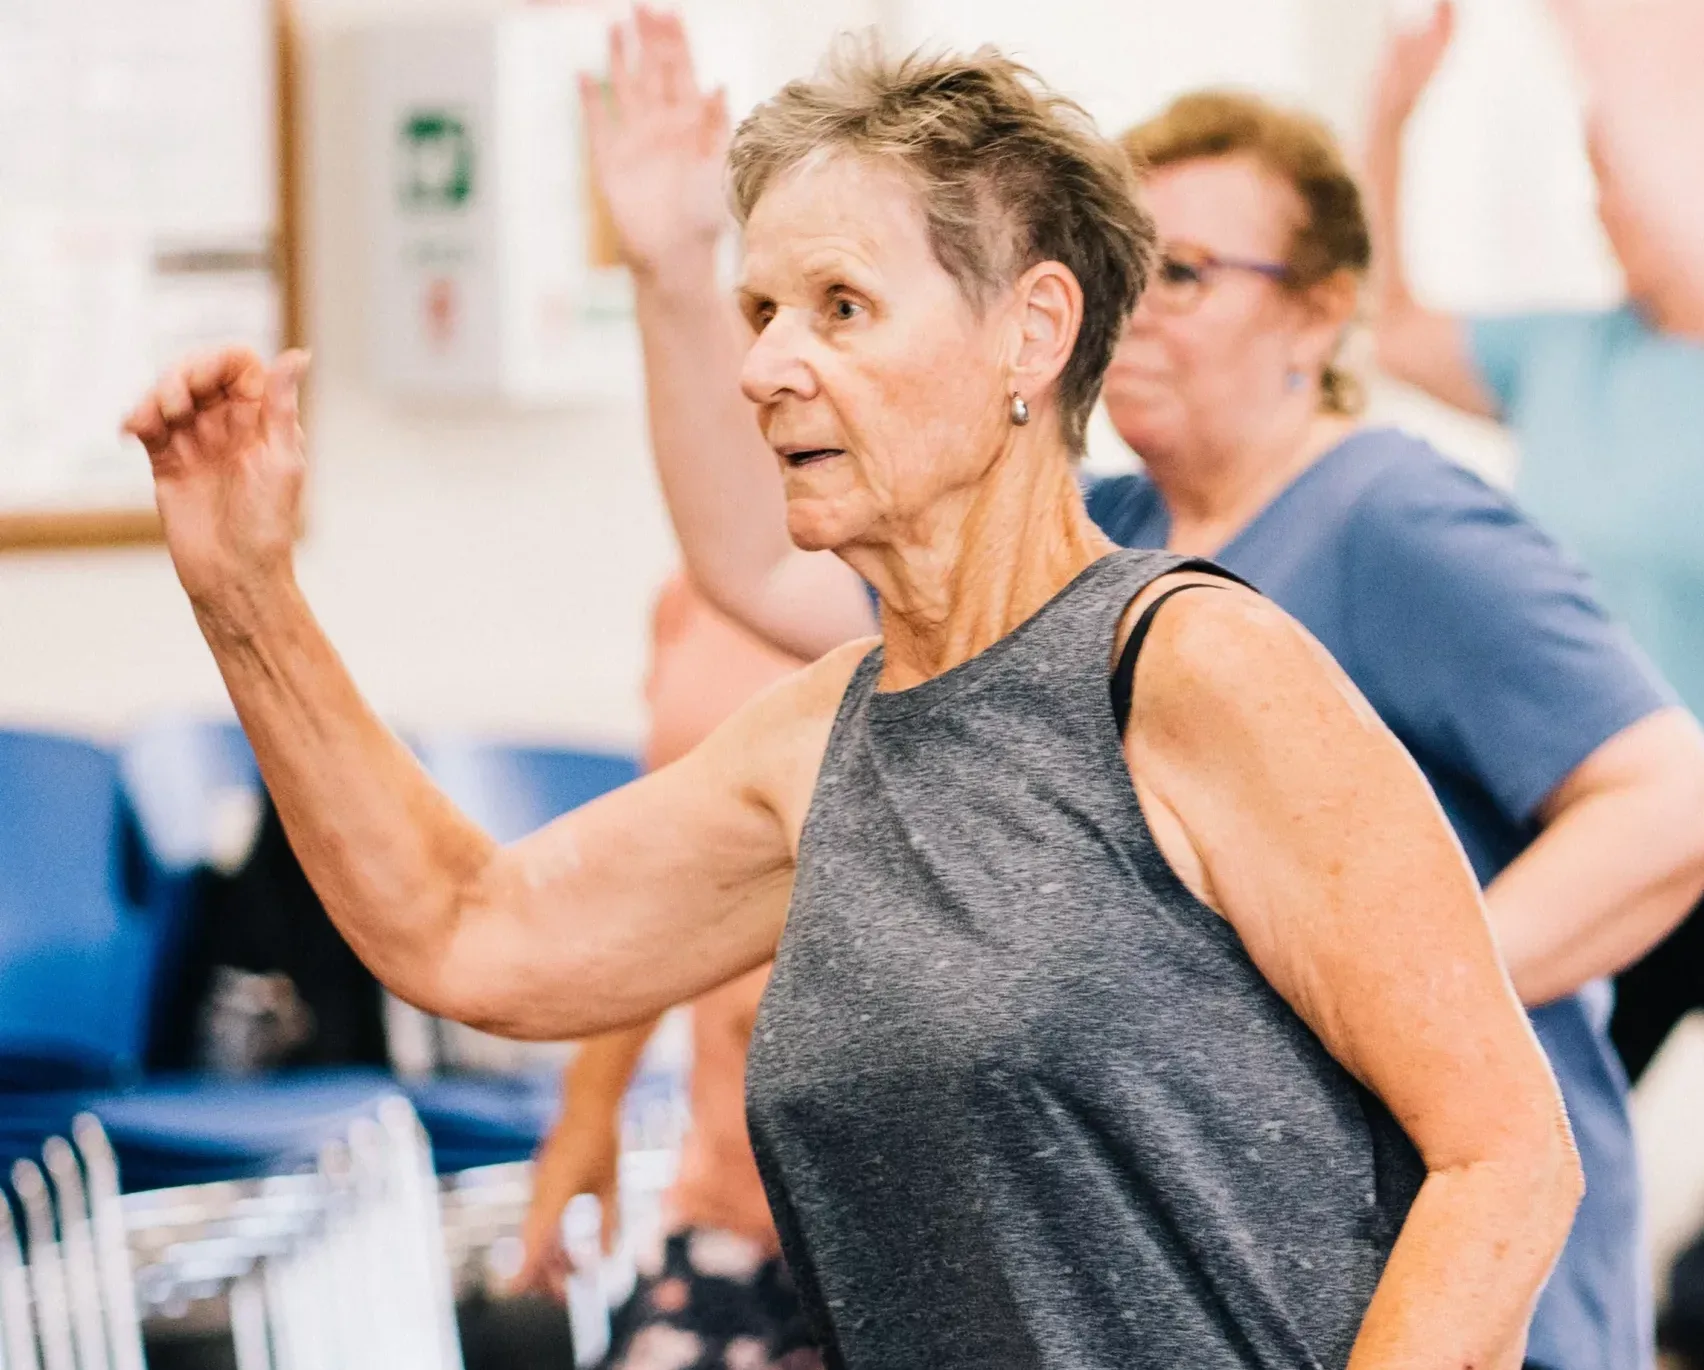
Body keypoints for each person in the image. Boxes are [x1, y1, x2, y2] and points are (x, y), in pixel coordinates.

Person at [126, 38, 1582, 1370]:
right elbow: (470, 930)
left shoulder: (1192, 668)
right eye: (760, 309)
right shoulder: (823, 736)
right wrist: (246, 594)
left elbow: (1506, 1157)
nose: (766, 366)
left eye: (839, 306)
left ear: (1032, 333)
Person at [578, 17, 1704, 1370]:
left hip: (1454, 1276)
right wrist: (664, 270)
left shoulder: (1392, 519)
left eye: (1194, 271)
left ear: (1319, 308)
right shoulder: (1107, 534)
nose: (1145, 304)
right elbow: (754, 559)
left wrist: (1360, 1002)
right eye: (1135, 262)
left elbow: (1672, 804)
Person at [1365, 0, 1704, 1085]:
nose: (1609, 205)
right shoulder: (1566, 353)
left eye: (1631, 174)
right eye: (1598, 175)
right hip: (1607, 827)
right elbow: (1392, 324)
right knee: (1541, 1108)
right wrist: (1393, 116)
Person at [513, 574, 814, 1370]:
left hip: (917, 1222)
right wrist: (590, 1104)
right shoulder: (701, 591)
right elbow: (667, 882)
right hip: (734, 1189)